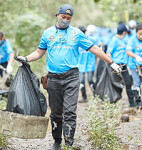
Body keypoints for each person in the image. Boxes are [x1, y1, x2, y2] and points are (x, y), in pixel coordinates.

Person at [17, 4, 121, 150]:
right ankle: (57, 141)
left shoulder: (76, 34)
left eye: (68, 18)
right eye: (63, 17)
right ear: (57, 15)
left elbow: (94, 48)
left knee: (70, 112)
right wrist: (26, 58)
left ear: (71, 19)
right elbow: (39, 52)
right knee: (55, 113)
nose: (65, 20)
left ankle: (69, 143)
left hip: (71, 78)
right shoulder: (47, 33)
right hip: (52, 79)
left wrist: (111, 63)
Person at [106, 23, 136, 107]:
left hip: (124, 66)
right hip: (116, 66)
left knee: (128, 82)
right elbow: (108, 52)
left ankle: (131, 102)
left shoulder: (124, 39)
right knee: (117, 84)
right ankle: (114, 103)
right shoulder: (114, 40)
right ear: (124, 32)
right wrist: (112, 63)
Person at [78, 26, 96, 103]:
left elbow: (96, 50)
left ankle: (95, 95)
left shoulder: (91, 40)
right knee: (81, 81)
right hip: (80, 64)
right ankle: (84, 97)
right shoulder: (76, 41)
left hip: (90, 64)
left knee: (90, 80)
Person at [126, 24, 142, 106]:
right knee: (137, 82)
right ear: (136, 33)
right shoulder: (132, 40)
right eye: (140, 34)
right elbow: (128, 51)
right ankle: (138, 101)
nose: (141, 36)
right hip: (134, 65)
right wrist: (136, 56)